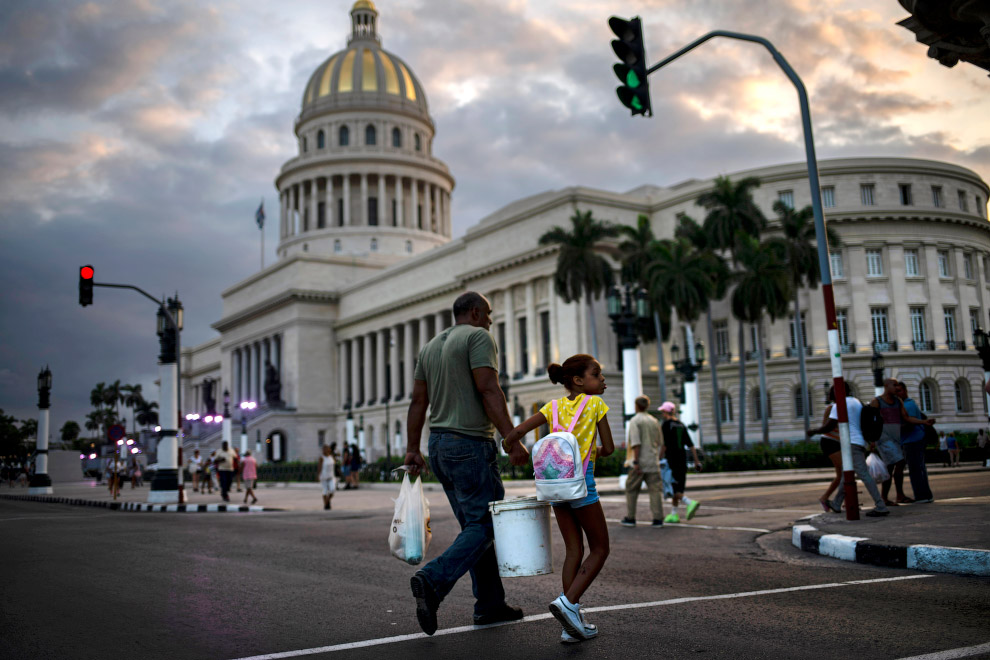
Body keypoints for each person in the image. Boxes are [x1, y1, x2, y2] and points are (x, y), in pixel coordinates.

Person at [404, 292, 529, 636]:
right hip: (469, 444)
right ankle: (432, 580)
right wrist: (511, 438)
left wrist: (412, 448)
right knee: (486, 527)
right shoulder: (478, 337)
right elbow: (489, 390)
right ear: (475, 312)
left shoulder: (430, 347)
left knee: (476, 529)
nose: (490, 320)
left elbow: (418, 401)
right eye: (488, 314)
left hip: (439, 446)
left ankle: (489, 606)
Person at [506, 354, 613, 643]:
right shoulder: (596, 405)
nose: (602, 379)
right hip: (581, 484)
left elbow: (517, 432)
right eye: (596, 374)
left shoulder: (552, 407)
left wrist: (509, 443)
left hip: (555, 486)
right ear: (579, 381)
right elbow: (610, 448)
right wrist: (595, 452)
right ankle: (569, 601)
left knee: (573, 551)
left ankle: (570, 626)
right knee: (601, 548)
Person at [812, 387, 889, 516]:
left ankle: (880, 505)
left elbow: (829, 425)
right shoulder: (856, 401)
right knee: (846, 473)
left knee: (863, 474)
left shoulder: (840, 404)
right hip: (858, 441)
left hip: (851, 443)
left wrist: (814, 431)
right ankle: (836, 503)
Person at [868, 379, 931, 506]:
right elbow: (871, 420)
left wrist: (923, 422)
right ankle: (894, 496)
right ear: (886, 386)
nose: (897, 388)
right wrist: (872, 439)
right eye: (894, 385)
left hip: (896, 438)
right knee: (900, 461)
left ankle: (889, 497)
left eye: (898, 385)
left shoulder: (898, 401)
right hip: (883, 438)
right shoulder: (877, 402)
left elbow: (906, 418)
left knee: (891, 467)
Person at [621, 395, 665, 528]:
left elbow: (636, 443)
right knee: (655, 490)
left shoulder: (635, 421)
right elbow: (661, 443)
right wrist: (659, 458)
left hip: (640, 461)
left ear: (636, 406)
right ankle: (658, 519)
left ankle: (631, 517)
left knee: (631, 489)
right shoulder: (654, 420)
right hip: (653, 460)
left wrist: (635, 462)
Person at [658, 402, 702, 523]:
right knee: (679, 487)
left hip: (671, 461)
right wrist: (697, 461)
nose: (662, 414)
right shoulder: (681, 425)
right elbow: (691, 445)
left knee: (672, 488)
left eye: (662, 411)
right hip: (682, 460)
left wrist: (658, 459)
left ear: (666, 412)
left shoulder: (666, 425)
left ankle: (689, 502)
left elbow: (664, 445)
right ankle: (674, 514)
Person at [895, 381, 934, 503]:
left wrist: (894, 428)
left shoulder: (908, 405)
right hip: (911, 440)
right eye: (896, 391)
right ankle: (923, 495)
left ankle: (923, 496)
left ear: (905, 391)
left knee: (916, 468)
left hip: (913, 439)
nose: (898, 393)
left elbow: (909, 424)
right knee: (917, 468)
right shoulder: (903, 405)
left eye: (900, 390)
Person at [806, 386, 843, 512]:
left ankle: (829, 498)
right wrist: (815, 431)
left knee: (842, 474)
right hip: (830, 442)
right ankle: (828, 498)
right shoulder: (832, 408)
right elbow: (826, 427)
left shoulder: (842, 406)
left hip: (837, 442)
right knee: (844, 473)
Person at [318, 443, 336, 510]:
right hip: (324, 476)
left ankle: (327, 502)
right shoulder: (322, 458)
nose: (325, 450)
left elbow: (334, 464)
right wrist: (318, 475)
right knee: (325, 491)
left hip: (331, 476)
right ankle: (326, 505)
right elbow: (319, 467)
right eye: (324, 449)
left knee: (332, 489)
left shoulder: (331, 457)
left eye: (327, 449)